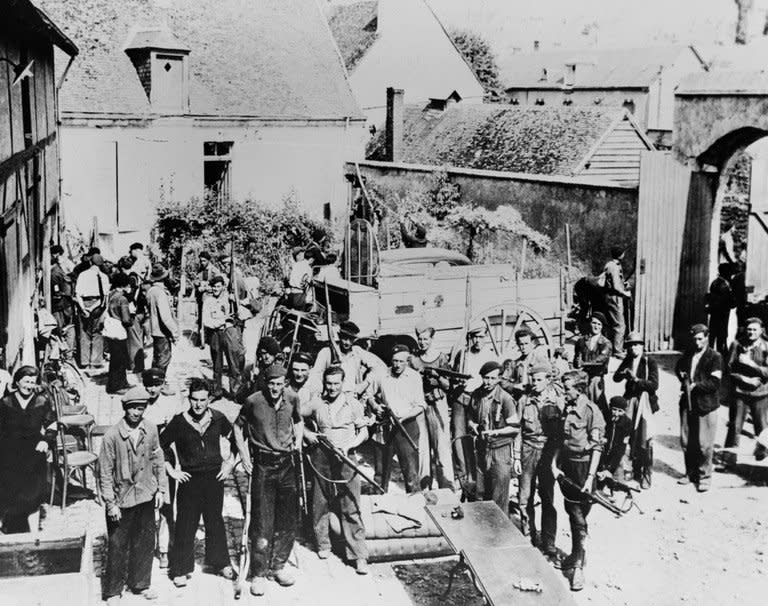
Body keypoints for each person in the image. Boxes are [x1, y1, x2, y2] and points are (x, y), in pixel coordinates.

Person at [159, 378, 236, 586]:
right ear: (189, 399)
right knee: (186, 523)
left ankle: (220, 563)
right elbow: (161, 446)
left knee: (215, 520)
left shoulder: (218, 418)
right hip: (189, 479)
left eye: (203, 400)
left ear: (209, 399)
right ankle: (180, 569)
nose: (198, 405)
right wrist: (172, 470)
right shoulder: (179, 422)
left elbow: (237, 440)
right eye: (194, 400)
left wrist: (229, 464)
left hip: (214, 478)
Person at [234, 364, 303, 596]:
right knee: (263, 521)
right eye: (271, 384)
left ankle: (278, 566)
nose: (275, 388)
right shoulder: (253, 401)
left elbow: (299, 421)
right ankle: (259, 573)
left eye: (279, 384)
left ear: (285, 383)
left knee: (287, 518)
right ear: (265, 382)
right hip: (263, 466)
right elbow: (237, 427)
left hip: (287, 465)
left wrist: (299, 441)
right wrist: (244, 456)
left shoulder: (292, 398)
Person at [99, 386, 168, 604]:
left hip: (146, 495)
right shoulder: (111, 436)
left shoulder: (150, 429)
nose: (137, 413)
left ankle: (140, 584)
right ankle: (113, 591)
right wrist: (111, 504)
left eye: (141, 408)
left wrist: (161, 489)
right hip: (122, 499)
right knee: (118, 545)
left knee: (145, 541)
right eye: (133, 409)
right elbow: (105, 473)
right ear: (125, 409)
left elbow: (158, 459)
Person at [302, 366, 370, 575]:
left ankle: (358, 554)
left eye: (336, 384)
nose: (332, 388)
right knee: (320, 501)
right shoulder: (317, 403)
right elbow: (294, 416)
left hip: (346, 457)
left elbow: (364, 432)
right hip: (321, 454)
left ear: (343, 383)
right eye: (328, 383)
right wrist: (307, 433)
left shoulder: (354, 404)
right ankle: (323, 544)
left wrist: (349, 446)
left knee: (350, 503)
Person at [551, 370, 605, 592]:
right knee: (573, 513)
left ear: (580, 389)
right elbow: (561, 440)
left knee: (578, 517)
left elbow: (597, 448)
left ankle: (578, 568)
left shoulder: (592, 411)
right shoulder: (568, 407)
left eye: (568, 389)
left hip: (585, 468)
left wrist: (590, 477)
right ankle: (576, 555)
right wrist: (555, 464)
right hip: (568, 467)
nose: (565, 392)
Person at [0, 366, 56, 533]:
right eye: (26, 381)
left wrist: (47, 441)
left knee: (32, 494)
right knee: (8, 492)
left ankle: (33, 533)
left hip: (33, 452)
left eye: (32, 382)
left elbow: (52, 424)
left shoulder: (42, 401)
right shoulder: (5, 403)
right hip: (9, 453)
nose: (29, 385)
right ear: (17, 381)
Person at [516, 364, 562, 562]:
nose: (535, 383)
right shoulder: (524, 400)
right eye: (533, 380)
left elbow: (561, 433)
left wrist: (556, 460)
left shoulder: (557, 401)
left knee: (547, 497)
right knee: (525, 496)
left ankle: (549, 541)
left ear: (548, 380)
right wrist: (516, 456)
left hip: (547, 450)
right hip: (527, 449)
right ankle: (529, 535)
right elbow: (517, 429)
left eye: (539, 380)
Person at [370, 344, 426, 492]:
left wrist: (403, 418)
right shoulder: (382, 375)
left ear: (407, 361)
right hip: (386, 427)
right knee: (381, 472)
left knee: (411, 472)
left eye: (401, 361)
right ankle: (378, 504)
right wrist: (376, 407)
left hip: (407, 427)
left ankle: (415, 505)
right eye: (395, 361)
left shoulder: (414, 377)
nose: (397, 365)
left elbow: (421, 405)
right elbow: (368, 394)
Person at [466, 361, 520, 515]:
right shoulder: (477, 395)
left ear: (498, 379)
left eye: (492, 378)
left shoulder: (505, 399)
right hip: (482, 449)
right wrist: (473, 425)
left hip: (500, 451)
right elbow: (469, 416)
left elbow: (515, 428)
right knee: (481, 494)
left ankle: (501, 535)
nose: (488, 382)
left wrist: (496, 432)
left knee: (499, 497)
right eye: (485, 378)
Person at [674, 324, 723, 492]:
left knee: (704, 444)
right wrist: (682, 377)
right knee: (687, 441)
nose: (697, 342)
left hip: (706, 405)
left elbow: (714, 383)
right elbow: (679, 367)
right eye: (694, 339)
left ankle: (704, 476)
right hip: (687, 404)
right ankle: (690, 472)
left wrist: (695, 386)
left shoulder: (715, 357)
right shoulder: (689, 353)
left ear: (707, 338)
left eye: (700, 339)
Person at [141, 369, 181, 569]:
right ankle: (146, 546)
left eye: (156, 385)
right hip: (142, 460)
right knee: (145, 504)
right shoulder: (139, 405)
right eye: (148, 385)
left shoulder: (168, 405)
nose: (152, 389)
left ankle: (164, 548)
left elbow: (173, 435)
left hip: (164, 458)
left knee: (166, 503)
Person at [408, 321, 455, 490]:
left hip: (438, 404)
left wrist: (436, 377)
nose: (422, 342)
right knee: (422, 447)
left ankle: (447, 486)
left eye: (426, 339)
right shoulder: (413, 360)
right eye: (420, 339)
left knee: (441, 446)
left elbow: (448, 386)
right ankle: (424, 486)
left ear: (432, 339)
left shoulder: (441, 357)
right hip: (420, 405)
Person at [612, 331, 659, 488]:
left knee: (644, 438)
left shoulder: (649, 361)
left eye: (637, 344)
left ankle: (646, 472)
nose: (634, 348)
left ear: (642, 346)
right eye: (630, 345)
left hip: (644, 402)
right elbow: (616, 378)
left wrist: (636, 380)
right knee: (628, 435)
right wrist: (623, 373)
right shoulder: (628, 359)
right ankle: (632, 468)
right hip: (630, 401)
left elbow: (654, 385)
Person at [311, 321, 385, 398]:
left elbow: (377, 367)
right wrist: (318, 393)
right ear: (339, 336)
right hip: (332, 396)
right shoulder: (327, 352)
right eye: (345, 338)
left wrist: (365, 383)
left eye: (351, 339)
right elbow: (316, 375)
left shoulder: (357, 351)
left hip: (352, 396)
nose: (347, 342)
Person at [725, 317, 768, 448]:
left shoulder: (766, 346)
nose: (751, 332)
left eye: (755, 329)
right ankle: (728, 460)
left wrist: (751, 364)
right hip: (740, 392)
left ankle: (763, 456)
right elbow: (728, 369)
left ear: (761, 331)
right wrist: (744, 379)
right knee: (735, 426)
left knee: (762, 427)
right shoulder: (737, 345)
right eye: (749, 329)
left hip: (760, 393)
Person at [202, 274, 244, 399]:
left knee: (233, 363)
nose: (215, 289)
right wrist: (222, 320)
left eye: (218, 286)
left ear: (223, 287)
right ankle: (217, 391)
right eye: (214, 287)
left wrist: (234, 300)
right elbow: (206, 321)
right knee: (217, 364)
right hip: (215, 333)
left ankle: (235, 392)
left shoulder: (229, 299)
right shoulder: (208, 301)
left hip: (228, 332)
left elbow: (239, 312)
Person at [573, 312, 612, 421]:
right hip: (583, 378)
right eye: (594, 323)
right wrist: (577, 362)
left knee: (598, 404)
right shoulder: (581, 341)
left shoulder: (605, 343)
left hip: (596, 379)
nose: (596, 326)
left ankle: (603, 428)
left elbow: (601, 360)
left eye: (599, 324)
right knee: (582, 403)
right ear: (589, 324)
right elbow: (576, 360)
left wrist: (584, 363)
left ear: (602, 327)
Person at [74, 253, 110, 368]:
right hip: (98, 305)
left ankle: (84, 361)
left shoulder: (82, 275)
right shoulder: (104, 277)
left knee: (84, 333)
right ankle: (95, 362)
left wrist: (84, 308)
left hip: (84, 303)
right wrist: (94, 307)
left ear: (90, 262)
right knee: (97, 333)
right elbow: (105, 297)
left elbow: (77, 294)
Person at [146, 263, 179, 378]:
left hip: (154, 330)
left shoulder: (150, 291)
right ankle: (159, 383)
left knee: (157, 358)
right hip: (162, 331)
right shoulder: (160, 293)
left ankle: (152, 381)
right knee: (163, 359)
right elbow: (165, 317)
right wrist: (174, 332)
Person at [105, 273, 133, 395]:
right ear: (124, 285)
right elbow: (126, 319)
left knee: (115, 357)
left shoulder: (111, 295)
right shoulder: (122, 299)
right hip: (119, 329)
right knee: (120, 359)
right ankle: (116, 386)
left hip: (110, 328)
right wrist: (131, 322)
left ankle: (122, 382)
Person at [503, 328, 552, 396]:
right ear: (517, 345)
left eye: (526, 343)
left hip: (537, 398)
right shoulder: (514, 364)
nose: (523, 347)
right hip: (521, 399)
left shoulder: (541, 361)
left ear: (532, 343)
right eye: (521, 344)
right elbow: (503, 381)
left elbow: (551, 379)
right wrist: (514, 386)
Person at [236, 336, 282, 403]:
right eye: (264, 353)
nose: (267, 357)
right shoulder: (252, 370)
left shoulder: (278, 373)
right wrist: (250, 383)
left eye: (270, 353)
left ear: (275, 354)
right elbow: (239, 398)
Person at [598, 396, 633, 486]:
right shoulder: (604, 417)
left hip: (616, 455)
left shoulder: (627, 423)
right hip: (602, 453)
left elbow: (622, 447)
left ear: (625, 411)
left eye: (620, 411)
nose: (616, 413)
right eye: (614, 409)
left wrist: (610, 468)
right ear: (610, 407)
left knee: (617, 481)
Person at [603, 246, 631, 356]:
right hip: (614, 297)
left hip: (609, 297)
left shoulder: (610, 264)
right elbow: (615, 287)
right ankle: (618, 351)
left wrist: (623, 284)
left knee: (613, 323)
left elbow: (613, 281)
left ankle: (613, 348)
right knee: (620, 325)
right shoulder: (614, 267)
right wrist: (625, 293)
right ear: (621, 255)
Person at [706, 263, 735, 358]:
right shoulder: (723, 285)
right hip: (721, 314)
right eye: (729, 271)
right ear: (725, 272)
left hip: (717, 314)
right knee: (720, 336)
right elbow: (727, 301)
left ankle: (713, 355)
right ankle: (719, 357)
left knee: (715, 335)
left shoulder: (716, 282)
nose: (731, 274)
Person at [51, 244, 75, 352]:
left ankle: (66, 353)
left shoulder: (55, 272)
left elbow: (56, 291)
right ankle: (68, 353)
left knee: (59, 330)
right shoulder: (65, 266)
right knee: (69, 327)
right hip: (68, 303)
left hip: (60, 305)